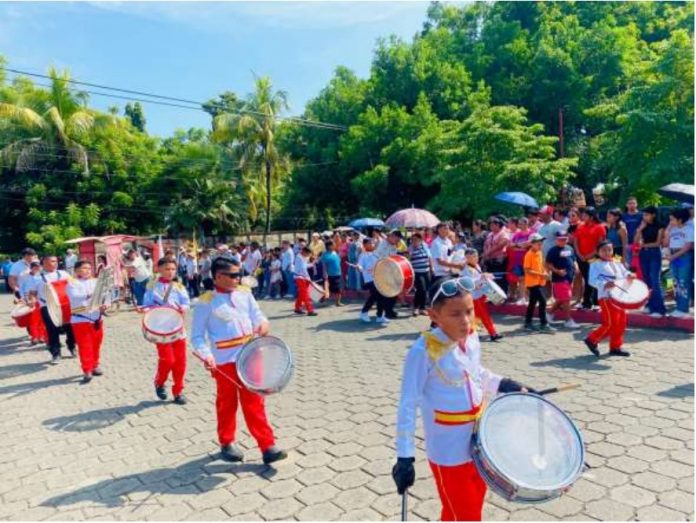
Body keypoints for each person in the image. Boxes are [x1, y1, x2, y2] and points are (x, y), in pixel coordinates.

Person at [393, 277, 535, 522]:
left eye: (469, 311)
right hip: (448, 448)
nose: (466, 320)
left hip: (479, 440)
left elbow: (475, 373)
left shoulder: (471, 337)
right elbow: (408, 403)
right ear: (434, 316)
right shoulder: (422, 351)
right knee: (465, 514)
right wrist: (405, 456)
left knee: (469, 504)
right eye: (455, 314)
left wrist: (504, 384)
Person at [191, 257, 288, 465]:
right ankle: (227, 442)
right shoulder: (205, 302)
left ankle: (267, 446)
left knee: (255, 402)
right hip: (223, 361)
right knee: (227, 403)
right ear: (218, 276)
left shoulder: (245, 294)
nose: (238, 278)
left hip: (251, 354)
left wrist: (263, 324)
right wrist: (206, 356)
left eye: (239, 274)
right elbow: (197, 337)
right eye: (233, 275)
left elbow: (258, 316)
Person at [143, 257, 191, 403]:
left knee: (180, 362)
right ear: (159, 269)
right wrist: (147, 309)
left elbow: (186, 303)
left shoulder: (179, 286)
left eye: (173, 269)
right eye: (167, 269)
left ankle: (178, 391)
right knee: (168, 360)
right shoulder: (152, 286)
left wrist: (182, 308)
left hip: (177, 328)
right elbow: (146, 304)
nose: (170, 272)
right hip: (160, 329)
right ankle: (160, 382)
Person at [584, 241, 633, 357]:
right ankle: (591, 339)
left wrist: (629, 275)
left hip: (620, 297)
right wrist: (604, 284)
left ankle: (615, 347)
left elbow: (624, 272)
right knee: (610, 323)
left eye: (609, 250)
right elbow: (592, 280)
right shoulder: (594, 264)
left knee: (621, 323)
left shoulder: (617, 260)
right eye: (604, 250)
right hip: (606, 297)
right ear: (598, 252)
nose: (607, 252)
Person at [67, 260, 110, 383]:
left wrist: (105, 305)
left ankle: (95, 365)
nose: (87, 271)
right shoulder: (72, 283)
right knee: (85, 346)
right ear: (76, 271)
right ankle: (87, 369)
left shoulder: (97, 282)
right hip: (80, 319)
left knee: (96, 344)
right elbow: (75, 297)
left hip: (96, 318)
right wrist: (92, 295)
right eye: (84, 268)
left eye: (89, 268)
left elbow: (106, 296)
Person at [34, 255, 76, 364]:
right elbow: (32, 293)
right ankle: (56, 353)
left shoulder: (64, 274)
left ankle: (72, 347)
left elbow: (73, 285)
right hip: (47, 307)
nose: (55, 263)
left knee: (70, 328)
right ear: (44, 263)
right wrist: (30, 300)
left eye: (56, 261)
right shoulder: (37, 277)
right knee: (52, 330)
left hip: (65, 305)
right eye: (52, 261)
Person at [462, 248, 503, 341]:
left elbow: (479, 279)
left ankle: (472, 334)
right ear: (467, 257)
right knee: (483, 316)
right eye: (473, 256)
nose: (476, 258)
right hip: (474, 296)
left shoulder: (475, 265)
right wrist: (482, 277)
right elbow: (470, 284)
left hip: (479, 295)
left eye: (476, 256)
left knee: (477, 316)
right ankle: (492, 333)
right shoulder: (466, 269)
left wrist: (485, 276)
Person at [635, 206, 666, 317]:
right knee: (647, 279)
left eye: (647, 214)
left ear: (653, 214)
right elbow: (636, 241)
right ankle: (650, 305)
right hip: (644, 254)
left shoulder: (660, 226)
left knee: (655, 280)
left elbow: (658, 243)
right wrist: (640, 229)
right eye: (644, 215)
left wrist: (644, 245)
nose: (645, 217)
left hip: (654, 253)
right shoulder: (644, 226)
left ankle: (660, 309)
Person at [546, 231, 580, 328]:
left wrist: (576, 267)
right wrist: (557, 271)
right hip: (559, 279)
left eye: (564, 239)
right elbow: (548, 264)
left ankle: (548, 314)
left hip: (569, 278)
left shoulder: (570, 248)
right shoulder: (553, 251)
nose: (562, 241)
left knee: (562, 299)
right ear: (556, 239)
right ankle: (568, 320)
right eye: (560, 239)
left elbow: (573, 259)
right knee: (566, 299)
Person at [574, 207, 606, 309]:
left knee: (592, 279)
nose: (582, 216)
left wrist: (589, 255)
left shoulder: (600, 227)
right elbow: (575, 241)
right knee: (586, 278)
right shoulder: (580, 226)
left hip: (594, 257)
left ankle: (593, 302)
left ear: (591, 217)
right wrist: (579, 254)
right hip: (581, 257)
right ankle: (587, 301)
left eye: (585, 215)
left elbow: (600, 244)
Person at [664, 208, 693, 318]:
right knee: (675, 280)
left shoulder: (689, 229)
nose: (670, 222)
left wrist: (673, 257)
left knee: (683, 282)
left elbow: (687, 247)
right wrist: (667, 232)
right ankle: (679, 306)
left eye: (672, 220)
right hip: (674, 256)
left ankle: (683, 308)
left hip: (683, 257)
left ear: (680, 220)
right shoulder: (673, 229)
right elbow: (666, 243)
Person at [523, 234, 554, 332]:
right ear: (532, 244)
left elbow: (541, 265)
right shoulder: (529, 254)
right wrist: (542, 275)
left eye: (541, 243)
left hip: (540, 282)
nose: (540, 245)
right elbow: (527, 270)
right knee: (543, 301)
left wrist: (545, 273)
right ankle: (543, 324)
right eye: (538, 243)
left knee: (532, 302)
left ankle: (528, 322)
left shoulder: (540, 252)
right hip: (532, 283)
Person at [373, 229, 404, 321]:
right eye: (397, 239)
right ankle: (380, 313)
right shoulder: (383, 245)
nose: (398, 242)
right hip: (381, 272)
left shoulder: (393, 245)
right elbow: (379, 259)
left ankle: (389, 310)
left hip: (391, 272)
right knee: (383, 294)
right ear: (392, 236)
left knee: (393, 292)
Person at [19, 261, 47, 345]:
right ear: (31, 268)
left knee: (42, 319)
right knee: (32, 320)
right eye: (35, 268)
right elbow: (21, 289)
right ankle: (34, 337)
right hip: (30, 300)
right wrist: (24, 299)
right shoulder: (25, 278)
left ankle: (42, 336)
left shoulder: (42, 277)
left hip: (41, 300)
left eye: (38, 268)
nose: (37, 269)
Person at [508, 217, 532, 304]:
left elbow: (529, 243)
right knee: (521, 278)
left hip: (528, 260)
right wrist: (520, 246)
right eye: (519, 224)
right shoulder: (517, 235)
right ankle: (522, 298)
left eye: (521, 224)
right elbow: (510, 245)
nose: (519, 225)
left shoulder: (531, 233)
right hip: (517, 260)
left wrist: (517, 246)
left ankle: (527, 297)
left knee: (528, 279)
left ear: (526, 224)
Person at [482, 218, 510, 293]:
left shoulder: (503, 233)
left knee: (499, 278)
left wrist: (488, 252)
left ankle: (502, 297)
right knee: (490, 278)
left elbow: (501, 244)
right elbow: (485, 244)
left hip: (499, 260)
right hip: (489, 260)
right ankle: (493, 297)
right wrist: (485, 252)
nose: (490, 226)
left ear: (497, 225)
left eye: (492, 225)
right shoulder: (490, 234)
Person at [408, 233, 432, 316]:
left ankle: (422, 308)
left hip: (427, 271)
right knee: (420, 289)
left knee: (425, 290)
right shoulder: (411, 248)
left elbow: (429, 257)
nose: (414, 241)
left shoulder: (424, 246)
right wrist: (411, 251)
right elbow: (408, 259)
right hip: (417, 272)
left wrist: (432, 269)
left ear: (420, 240)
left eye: (416, 239)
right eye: (413, 240)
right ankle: (416, 308)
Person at [357, 238, 380, 322]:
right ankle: (364, 312)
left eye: (373, 243)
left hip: (378, 278)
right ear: (365, 245)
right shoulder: (362, 255)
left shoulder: (376, 254)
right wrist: (359, 267)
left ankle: (380, 316)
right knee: (374, 295)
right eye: (370, 243)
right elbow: (359, 265)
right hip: (369, 279)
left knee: (379, 296)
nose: (372, 245)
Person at [293, 246, 318, 316]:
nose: (308, 256)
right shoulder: (300, 258)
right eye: (308, 254)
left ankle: (297, 308)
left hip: (301, 277)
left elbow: (305, 266)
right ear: (304, 252)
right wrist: (308, 278)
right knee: (306, 295)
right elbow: (303, 269)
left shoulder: (302, 257)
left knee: (302, 294)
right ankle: (310, 310)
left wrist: (312, 264)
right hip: (300, 278)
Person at [321, 240, 343, 306]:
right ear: (329, 246)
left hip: (338, 273)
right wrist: (325, 273)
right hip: (330, 275)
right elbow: (324, 265)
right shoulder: (325, 254)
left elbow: (338, 261)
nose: (335, 245)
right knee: (328, 289)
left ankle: (338, 302)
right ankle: (323, 298)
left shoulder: (335, 252)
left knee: (339, 288)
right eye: (333, 244)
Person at [622, 196, 643, 268]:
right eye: (630, 203)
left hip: (638, 243)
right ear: (626, 205)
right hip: (627, 244)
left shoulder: (641, 215)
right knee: (629, 265)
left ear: (636, 204)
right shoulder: (623, 216)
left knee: (640, 264)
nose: (632, 205)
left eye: (633, 203)